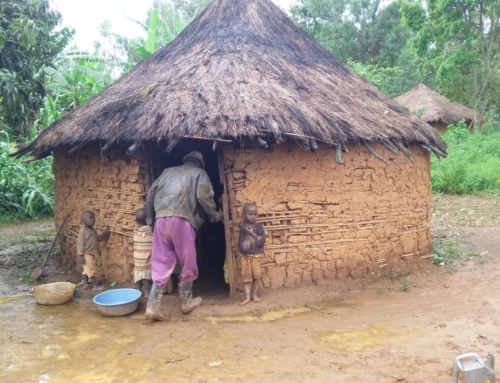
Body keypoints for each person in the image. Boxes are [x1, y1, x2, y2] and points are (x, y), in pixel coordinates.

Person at [145, 151, 221, 320]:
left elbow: (151, 195)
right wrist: (213, 213)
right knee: (188, 259)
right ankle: (186, 301)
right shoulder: (200, 173)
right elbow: (202, 196)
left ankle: (152, 306)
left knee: (161, 260)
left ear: (185, 161)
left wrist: (151, 219)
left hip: (160, 219)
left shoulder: (166, 172)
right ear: (199, 164)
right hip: (182, 220)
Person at [238, 203, 265, 305]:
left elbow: (261, 240)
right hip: (245, 256)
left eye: (255, 214)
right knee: (246, 277)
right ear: (244, 214)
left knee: (256, 276)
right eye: (250, 214)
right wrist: (241, 250)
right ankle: (247, 297)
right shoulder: (243, 226)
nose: (253, 216)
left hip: (256, 255)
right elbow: (240, 240)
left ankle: (254, 295)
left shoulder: (259, 227)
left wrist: (251, 233)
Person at [77, 211, 110, 291]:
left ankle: (86, 284)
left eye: (93, 218)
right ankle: (95, 286)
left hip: (91, 254)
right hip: (86, 254)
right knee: (91, 270)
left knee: (86, 270)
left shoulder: (93, 230)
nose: (93, 220)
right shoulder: (83, 231)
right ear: (83, 221)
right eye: (90, 218)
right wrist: (80, 255)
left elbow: (97, 239)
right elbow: (80, 244)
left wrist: (105, 234)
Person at [133, 208, 153, 297]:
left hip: (137, 257)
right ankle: (147, 292)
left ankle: (138, 290)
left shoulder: (135, 230)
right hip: (146, 257)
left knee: (138, 274)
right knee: (145, 275)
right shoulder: (150, 231)